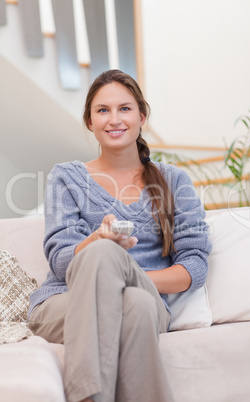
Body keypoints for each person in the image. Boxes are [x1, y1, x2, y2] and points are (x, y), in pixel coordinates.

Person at [28, 69, 212, 402]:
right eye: (103, 110)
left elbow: (194, 267)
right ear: (89, 121)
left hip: (148, 293)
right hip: (63, 301)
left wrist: (122, 272)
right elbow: (60, 260)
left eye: (125, 109)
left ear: (142, 116)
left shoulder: (175, 181)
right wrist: (96, 243)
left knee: (132, 288)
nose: (115, 119)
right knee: (126, 290)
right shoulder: (66, 177)